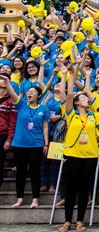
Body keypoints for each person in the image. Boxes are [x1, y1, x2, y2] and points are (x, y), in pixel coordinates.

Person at [60, 65, 99, 232]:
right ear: (76, 102)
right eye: (83, 98)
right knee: (70, 190)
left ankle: (80, 221)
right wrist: (68, 75)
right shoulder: (71, 114)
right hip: (72, 156)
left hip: (90, 157)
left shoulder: (94, 116)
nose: (87, 100)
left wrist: (93, 141)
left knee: (84, 190)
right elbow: (70, 93)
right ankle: (67, 221)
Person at [3, 80, 49, 208]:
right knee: (20, 172)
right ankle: (19, 199)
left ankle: (35, 199)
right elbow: (12, 94)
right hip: (19, 144)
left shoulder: (44, 109)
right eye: (28, 92)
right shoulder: (21, 105)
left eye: (33, 92)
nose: (29, 93)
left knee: (34, 171)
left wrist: (46, 143)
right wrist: (7, 83)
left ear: (38, 95)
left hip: (36, 144)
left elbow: (45, 127)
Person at [0, 74, 17, 191]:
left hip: (2, 134)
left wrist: (9, 139)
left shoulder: (11, 100)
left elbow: (12, 121)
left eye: (3, 79)